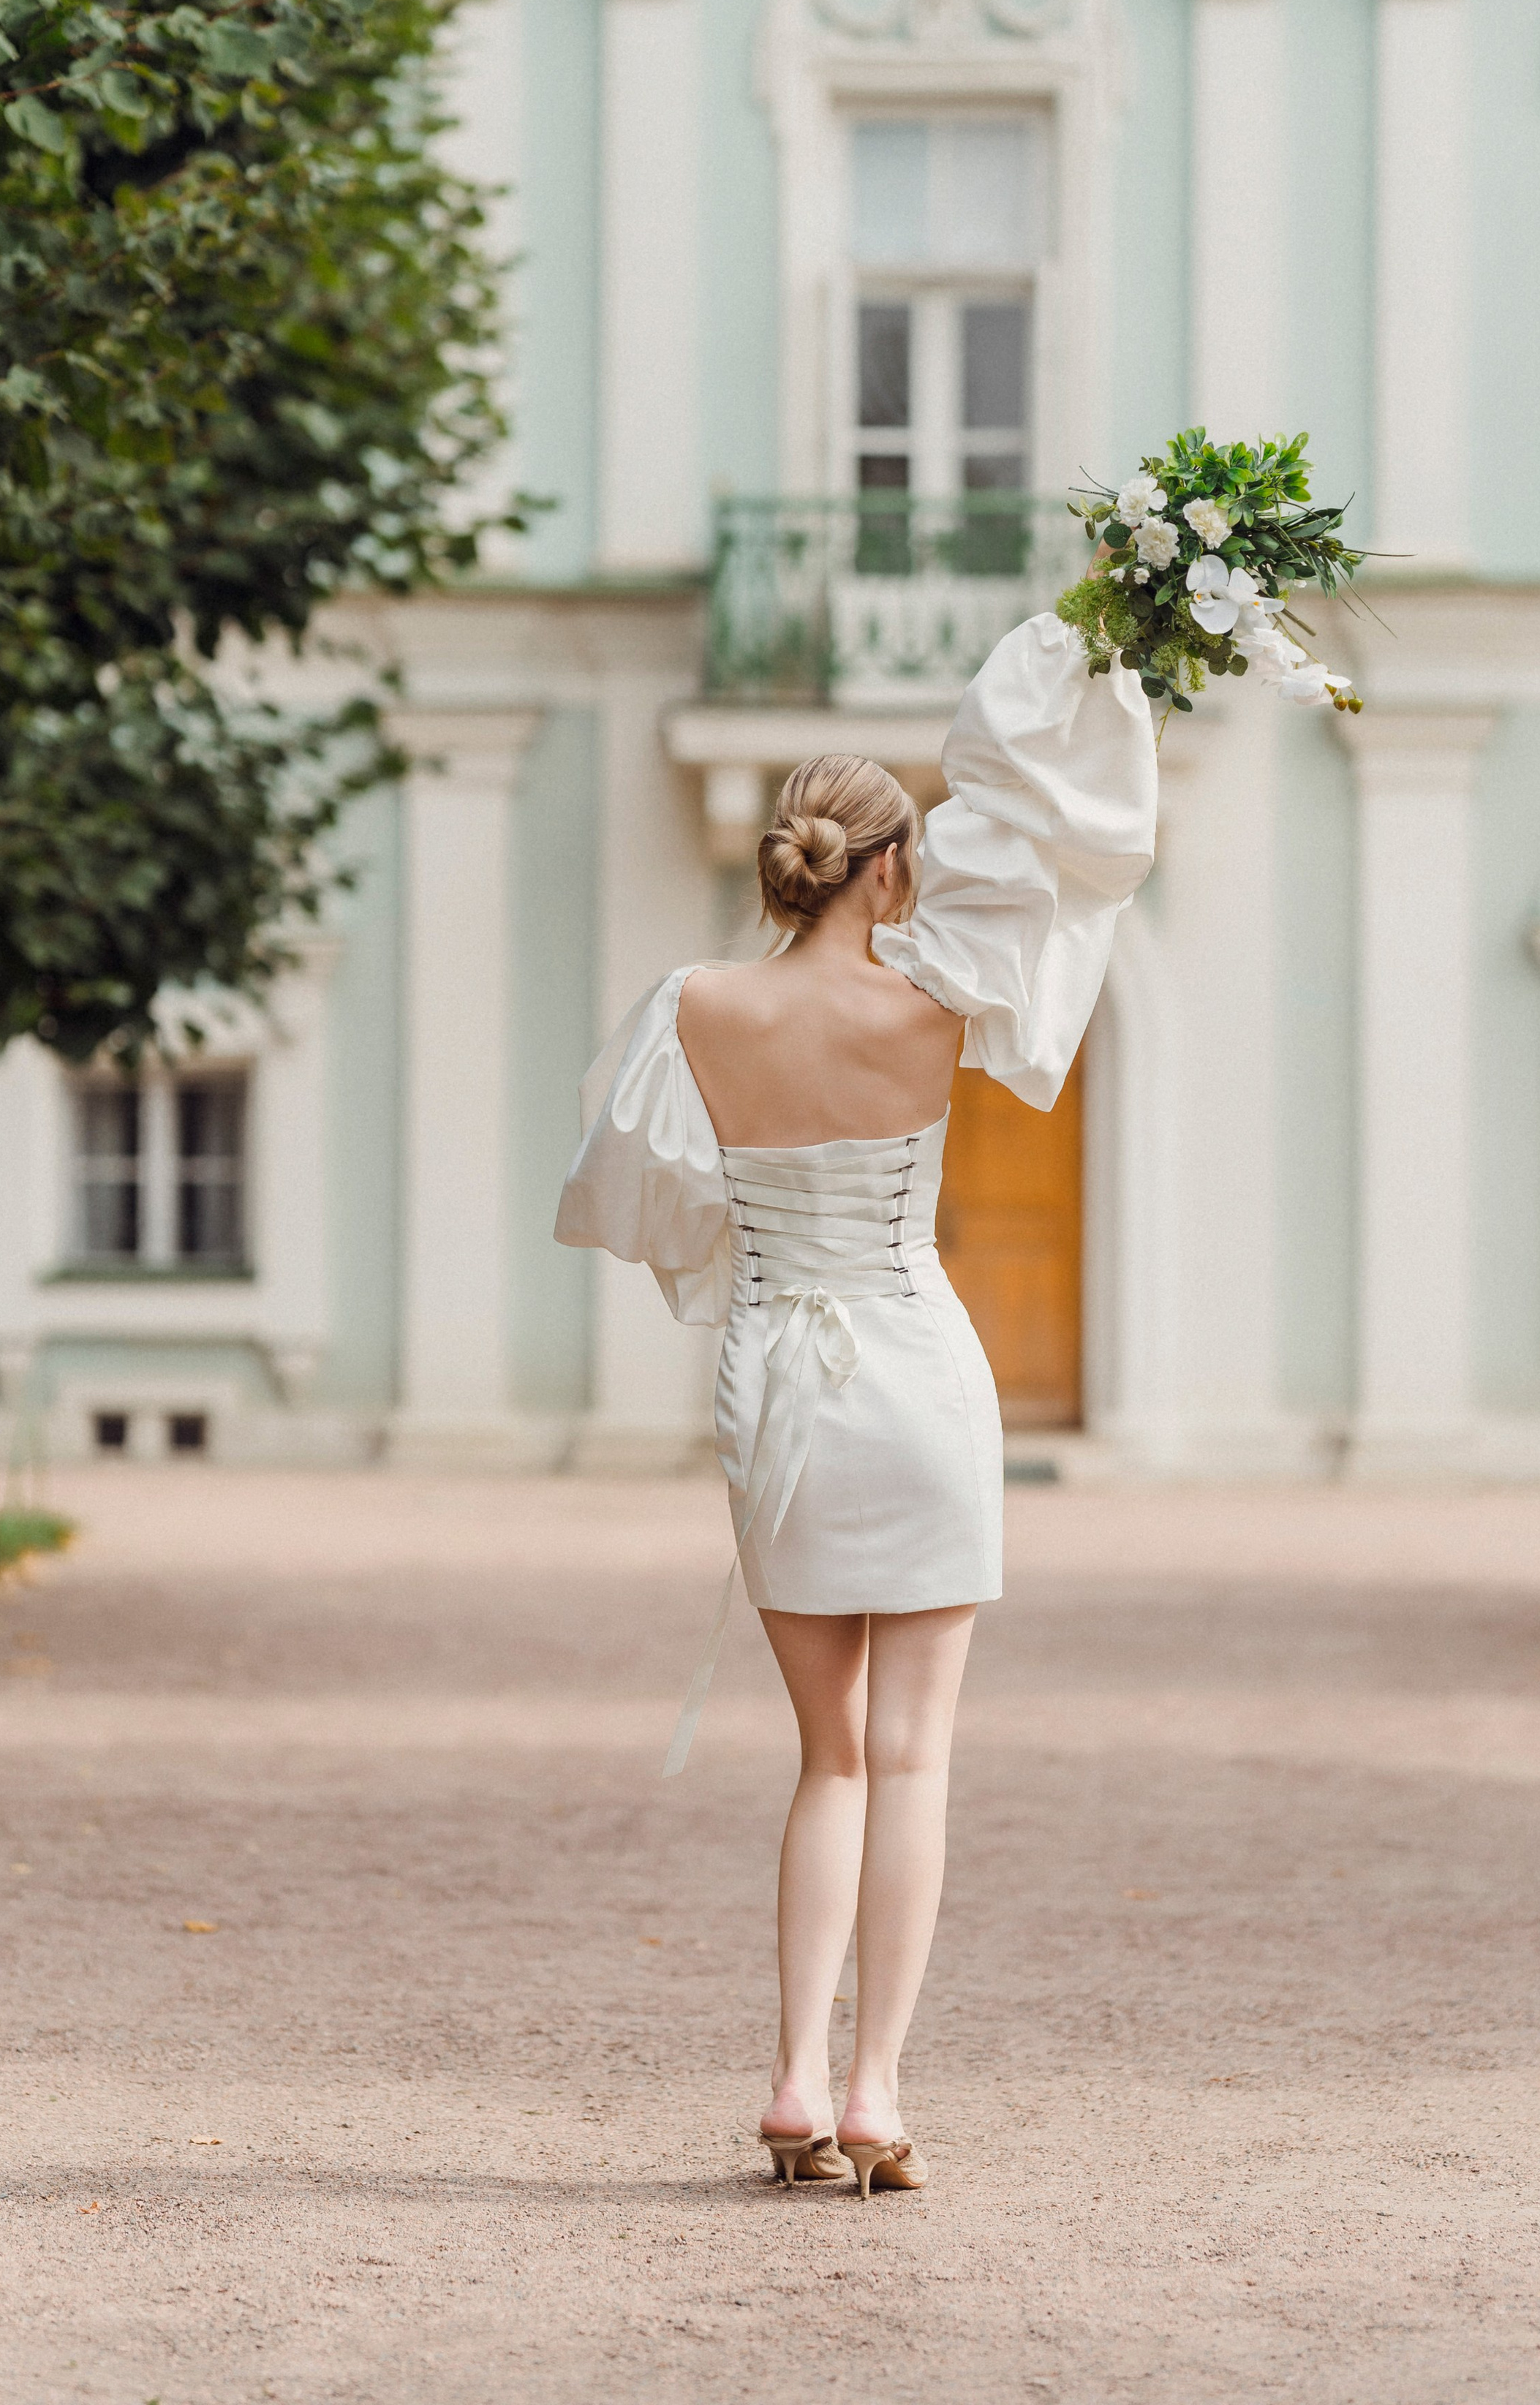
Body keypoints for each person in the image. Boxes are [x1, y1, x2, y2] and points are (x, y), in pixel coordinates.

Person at [555, 611, 1158, 2199]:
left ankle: (788, 2077)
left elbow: (638, 1203)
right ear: (887, 871)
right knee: (916, 1758)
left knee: (824, 1758)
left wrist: (750, 1280)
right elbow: (1043, 862)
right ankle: (877, 2092)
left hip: (778, 1389)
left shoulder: (691, 1008)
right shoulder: (932, 1009)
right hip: (918, 1367)